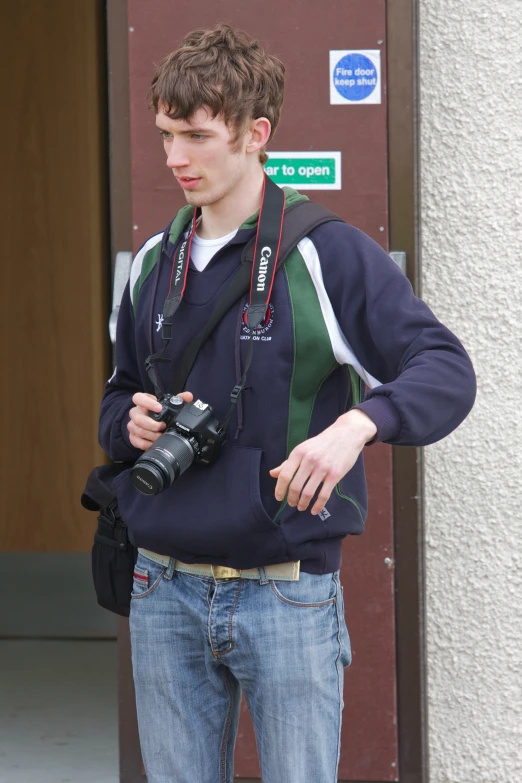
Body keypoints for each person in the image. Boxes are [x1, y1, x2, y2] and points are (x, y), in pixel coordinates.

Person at [98, 23, 476, 783]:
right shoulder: (151, 262)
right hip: (162, 586)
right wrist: (131, 423)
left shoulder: (325, 252)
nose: (175, 157)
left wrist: (359, 424)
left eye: (197, 135)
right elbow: (115, 397)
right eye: (167, 134)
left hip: (286, 595)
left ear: (255, 133)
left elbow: (446, 368)